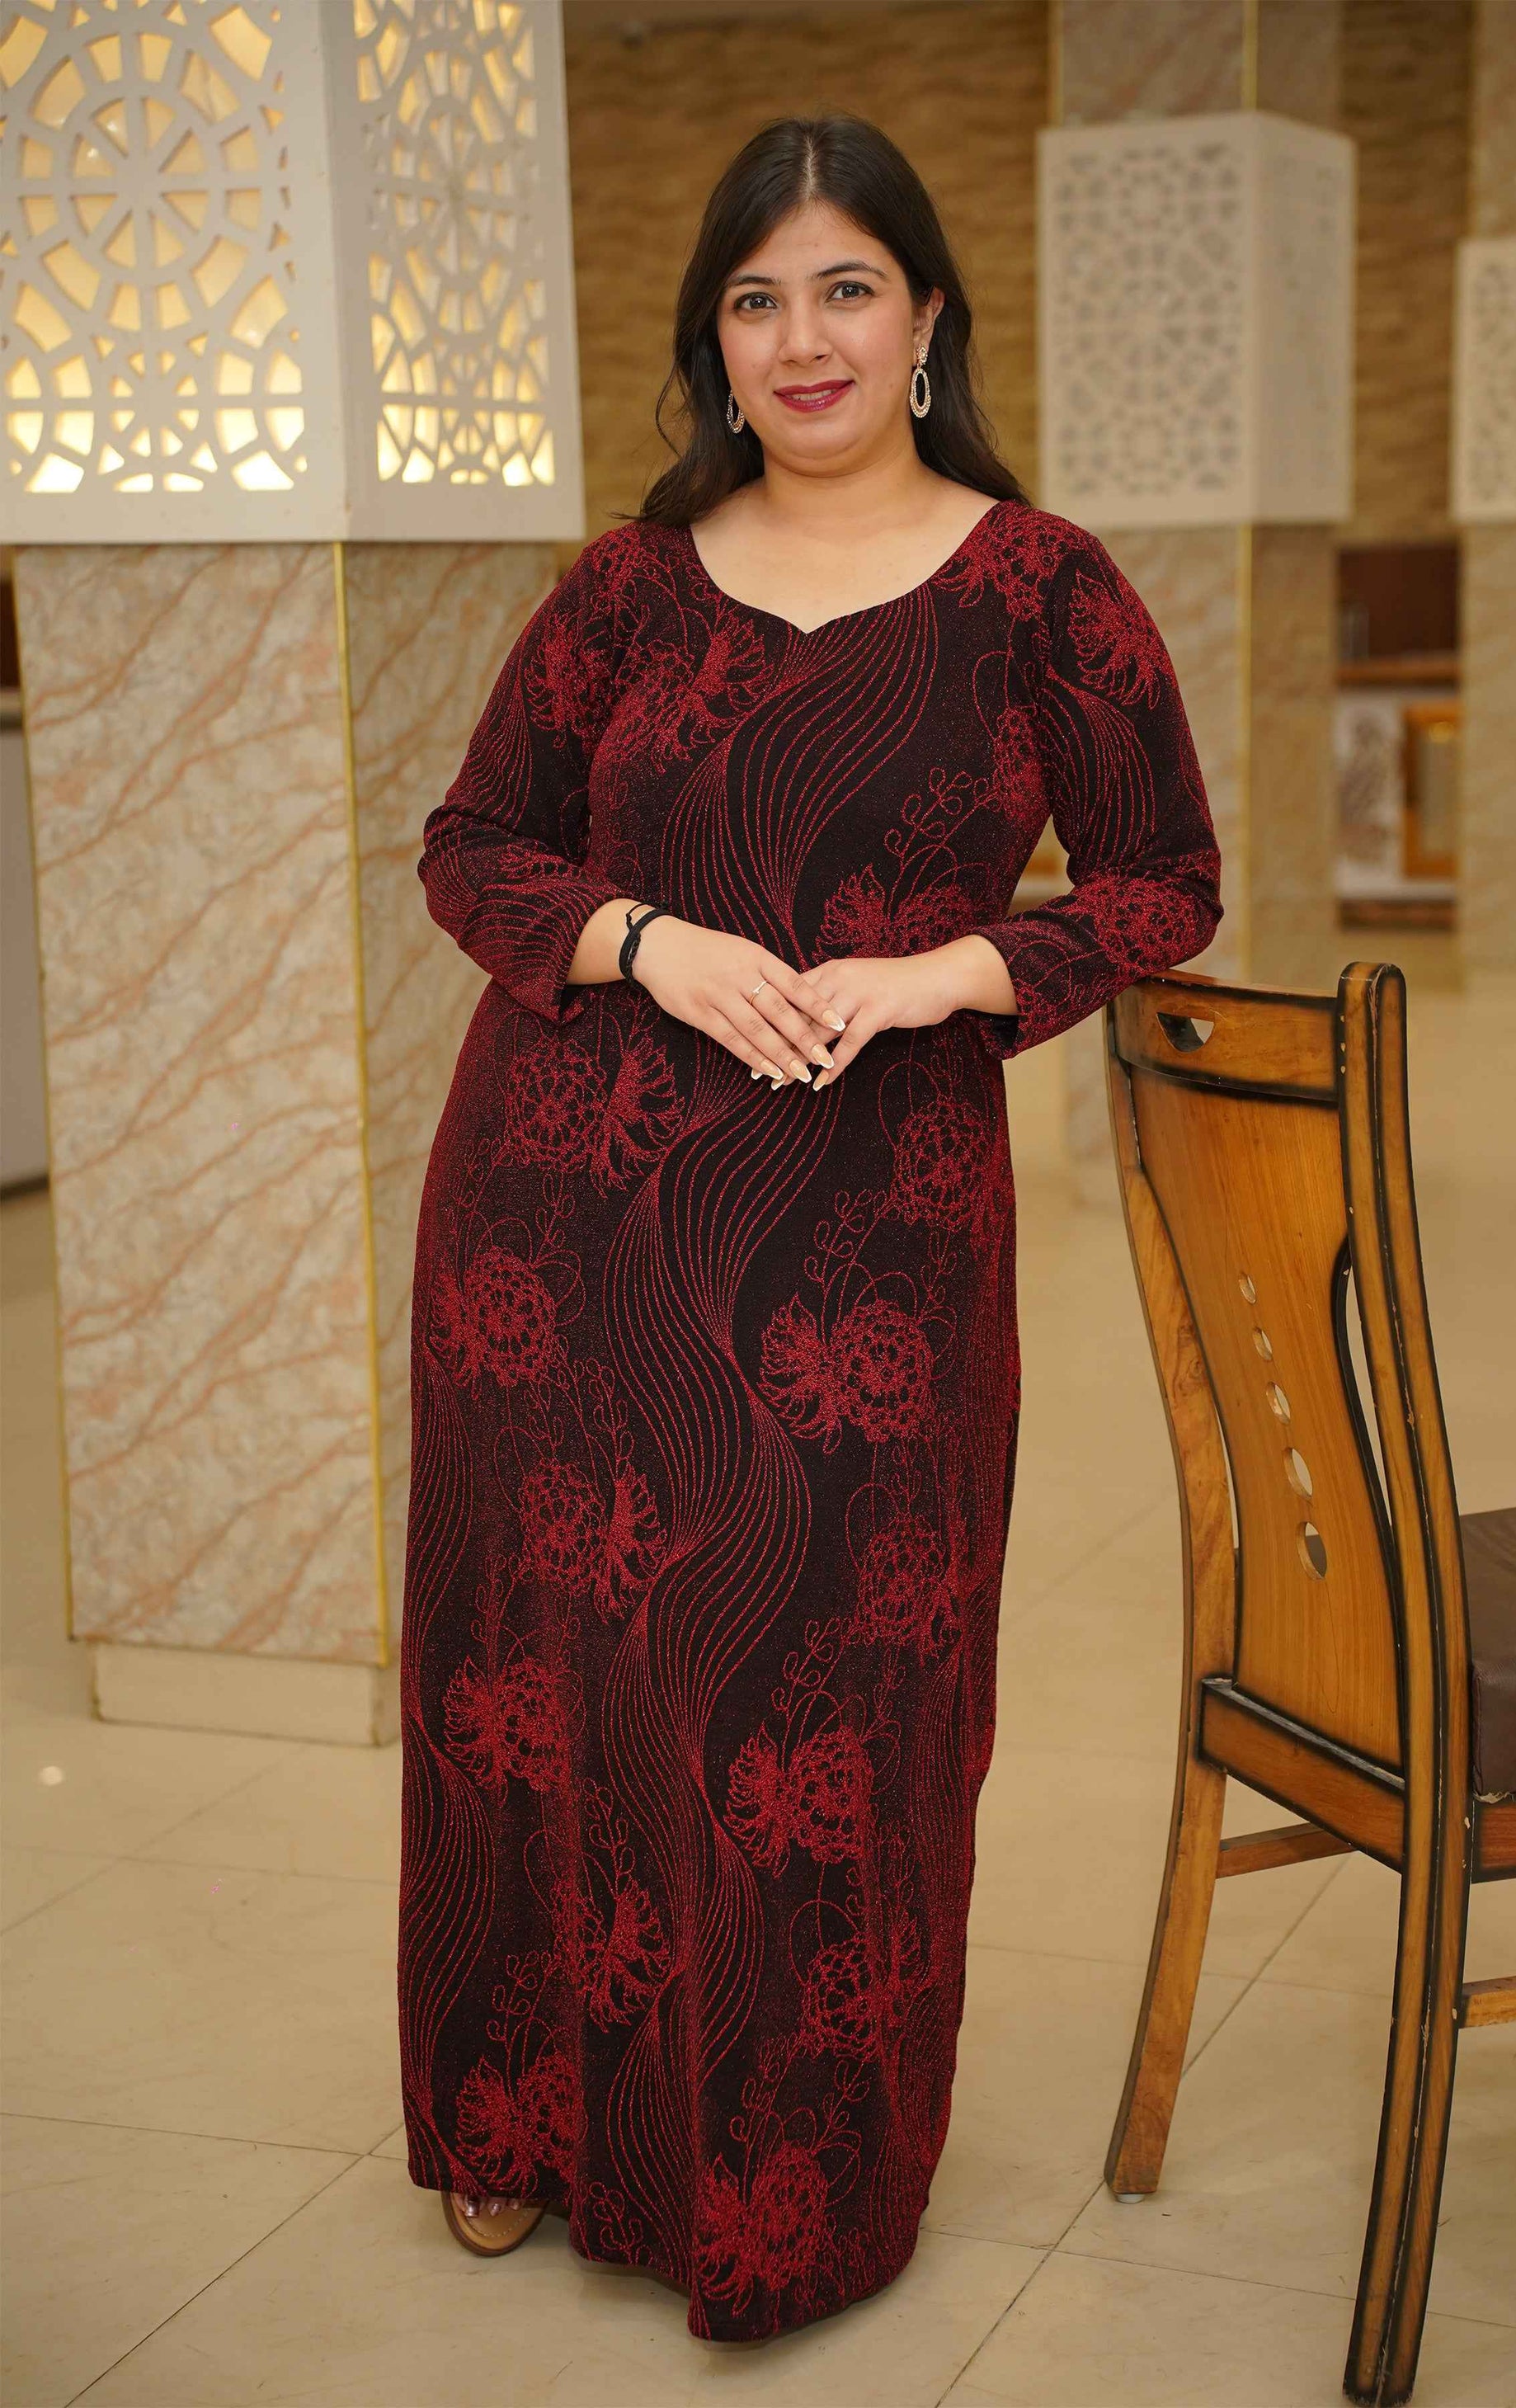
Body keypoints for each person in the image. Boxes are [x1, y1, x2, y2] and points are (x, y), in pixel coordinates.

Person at [398, 111, 1221, 2340]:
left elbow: (1166, 882)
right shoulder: (627, 588)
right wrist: (643, 941)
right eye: (754, 300)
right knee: (550, 1690)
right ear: (714, 344)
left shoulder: (1041, 589)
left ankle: (786, 2196)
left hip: (869, 1254)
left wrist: (954, 973)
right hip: (560, 1237)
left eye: (845, 286)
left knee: (822, 1711)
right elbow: (474, 844)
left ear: (927, 315)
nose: (802, 338)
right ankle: (522, 2119)